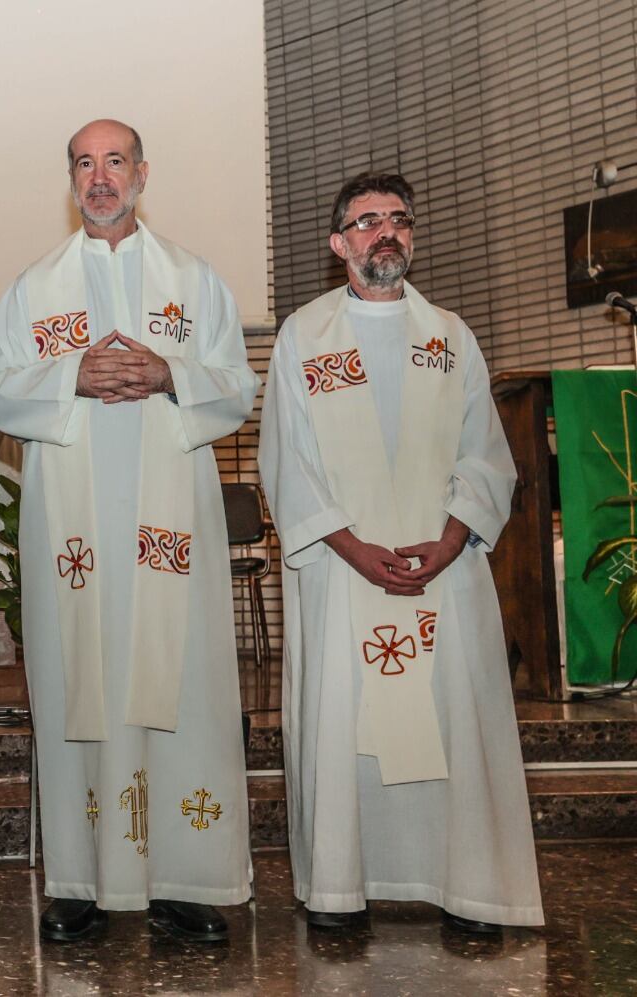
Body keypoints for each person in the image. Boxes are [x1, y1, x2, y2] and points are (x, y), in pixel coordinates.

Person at [0, 119, 257, 945]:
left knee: (182, 683)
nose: (99, 178)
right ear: (70, 179)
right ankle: (83, 881)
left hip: (169, 531)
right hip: (77, 535)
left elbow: (238, 386)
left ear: (143, 173)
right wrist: (72, 373)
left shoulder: (194, 280)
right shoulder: (34, 287)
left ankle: (182, 877)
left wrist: (171, 372)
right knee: (81, 680)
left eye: (114, 162)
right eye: (83, 164)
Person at [258, 171, 543, 933]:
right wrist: (350, 546)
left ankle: (470, 888)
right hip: (342, 575)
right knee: (345, 725)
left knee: (452, 719)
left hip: (439, 570)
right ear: (338, 242)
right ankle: (341, 892)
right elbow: (287, 459)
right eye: (367, 220)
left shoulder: (450, 336)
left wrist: (453, 538)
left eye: (399, 219)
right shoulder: (303, 337)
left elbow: (487, 456)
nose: (385, 231)